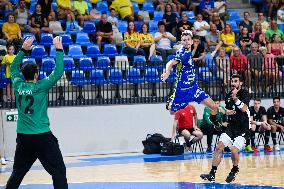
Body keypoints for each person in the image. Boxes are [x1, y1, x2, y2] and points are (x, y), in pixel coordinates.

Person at [5, 37, 68, 189]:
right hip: (42, 136)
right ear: (35, 75)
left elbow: (13, 68)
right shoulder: (41, 86)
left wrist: (23, 50)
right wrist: (59, 49)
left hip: (23, 137)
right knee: (58, 171)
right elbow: (58, 72)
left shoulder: (18, 84)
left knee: (18, 173)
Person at [161, 30, 219, 125]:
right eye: (184, 40)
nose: (187, 41)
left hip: (193, 88)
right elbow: (170, 62)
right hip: (182, 91)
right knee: (172, 112)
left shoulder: (189, 53)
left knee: (214, 106)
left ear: (192, 41)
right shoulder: (183, 53)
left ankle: (214, 124)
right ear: (181, 42)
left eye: (188, 39)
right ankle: (172, 101)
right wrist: (167, 71)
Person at [200, 74, 250, 183]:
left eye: (236, 81)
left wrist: (235, 98)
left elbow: (244, 108)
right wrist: (223, 112)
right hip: (231, 128)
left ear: (240, 83)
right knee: (218, 147)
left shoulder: (245, 93)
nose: (233, 83)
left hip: (242, 129)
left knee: (233, 150)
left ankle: (235, 169)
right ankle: (212, 174)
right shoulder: (227, 95)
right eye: (232, 81)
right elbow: (228, 111)